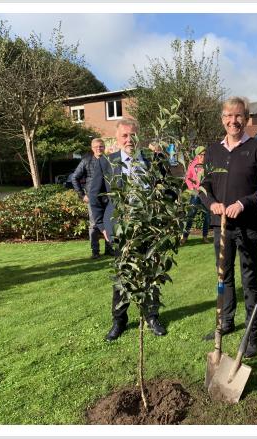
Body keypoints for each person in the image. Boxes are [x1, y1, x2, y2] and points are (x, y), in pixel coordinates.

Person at [199, 97, 257, 358]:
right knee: (223, 277)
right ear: (222, 119)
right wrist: (212, 203)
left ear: (247, 119)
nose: (233, 121)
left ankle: (252, 334)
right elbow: (203, 186)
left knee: (249, 280)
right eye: (228, 116)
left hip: (248, 226)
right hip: (222, 226)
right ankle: (225, 322)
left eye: (238, 116)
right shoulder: (213, 151)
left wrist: (243, 203)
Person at [105, 118, 168, 341]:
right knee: (123, 275)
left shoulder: (151, 161)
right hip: (122, 231)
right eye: (124, 136)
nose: (129, 140)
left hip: (149, 228)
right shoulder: (108, 162)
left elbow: (166, 189)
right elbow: (96, 197)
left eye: (133, 135)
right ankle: (119, 321)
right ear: (117, 138)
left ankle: (152, 317)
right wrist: (103, 225)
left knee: (151, 273)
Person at [71, 138, 113, 259]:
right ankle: (95, 251)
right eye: (96, 147)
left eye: (101, 146)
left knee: (109, 223)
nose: (99, 149)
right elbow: (75, 178)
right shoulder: (86, 161)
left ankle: (109, 249)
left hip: (107, 197)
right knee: (94, 225)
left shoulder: (108, 161)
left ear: (104, 147)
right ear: (92, 148)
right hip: (93, 198)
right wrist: (82, 195)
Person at [180, 152, 210, 245]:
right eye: (201, 154)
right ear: (197, 155)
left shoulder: (208, 164)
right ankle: (185, 236)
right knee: (191, 214)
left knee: (207, 215)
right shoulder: (193, 164)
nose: (203, 156)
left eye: (204, 154)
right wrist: (192, 188)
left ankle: (205, 236)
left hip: (206, 193)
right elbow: (188, 177)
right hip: (196, 193)